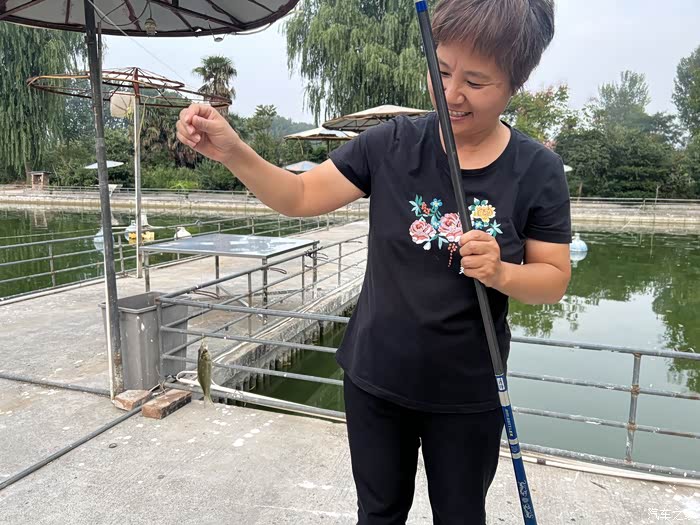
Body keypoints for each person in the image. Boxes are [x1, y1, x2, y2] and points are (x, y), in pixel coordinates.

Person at [176, 0, 570, 522]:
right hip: (376, 378)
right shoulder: (390, 144)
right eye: (442, 71)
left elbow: (553, 280)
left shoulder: (538, 169)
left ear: (515, 84)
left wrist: (502, 273)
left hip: (469, 389)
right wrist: (233, 151)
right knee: (378, 515)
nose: (452, 94)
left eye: (476, 82)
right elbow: (299, 195)